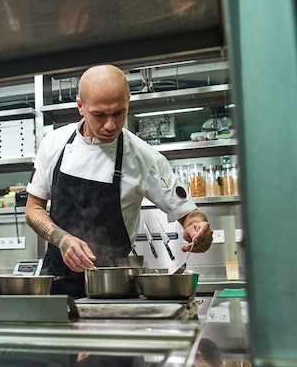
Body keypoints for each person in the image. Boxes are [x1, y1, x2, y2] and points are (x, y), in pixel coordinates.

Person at [25, 64, 213, 298]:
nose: (110, 125)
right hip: (56, 283)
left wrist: (198, 228)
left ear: (128, 101)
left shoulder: (145, 158)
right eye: (99, 115)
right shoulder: (54, 144)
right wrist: (61, 239)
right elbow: (32, 209)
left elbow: (190, 215)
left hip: (113, 287)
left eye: (118, 113)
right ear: (80, 106)